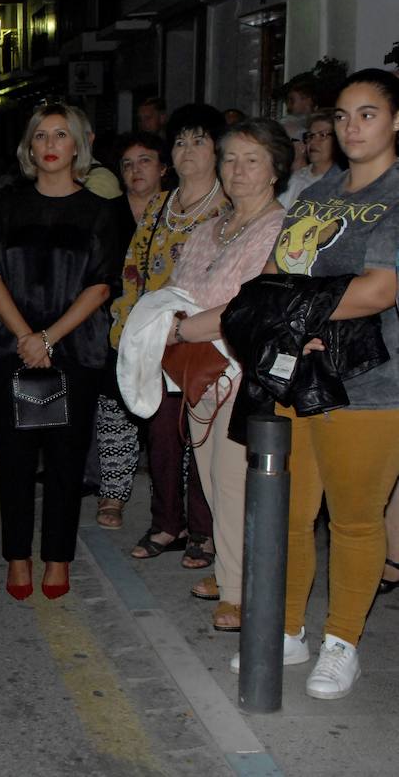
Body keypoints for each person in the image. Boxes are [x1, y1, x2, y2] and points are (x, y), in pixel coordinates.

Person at [224, 69, 399, 699]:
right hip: (298, 374)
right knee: (292, 515)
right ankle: (289, 628)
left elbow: (382, 289)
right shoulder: (317, 193)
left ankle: (342, 641)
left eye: (368, 114)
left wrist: (299, 313)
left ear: (396, 121)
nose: (352, 127)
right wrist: (304, 320)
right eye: (344, 116)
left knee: (354, 519)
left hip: (372, 383)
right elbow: (274, 273)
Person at [0, 102, 119, 600]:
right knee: (14, 460)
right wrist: (25, 338)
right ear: (29, 147)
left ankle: (57, 558)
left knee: (65, 460)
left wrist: (50, 338)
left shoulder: (100, 212)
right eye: (41, 136)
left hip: (74, 351)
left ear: (78, 145)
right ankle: (18, 556)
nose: (51, 145)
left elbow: (101, 286)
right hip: (10, 350)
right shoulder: (8, 205)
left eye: (61, 135)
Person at [160, 119, 289, 631]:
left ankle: (238, 592)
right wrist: (170, 322)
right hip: (199, 372)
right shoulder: (212, 225)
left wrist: (181, 329)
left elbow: (250, 304)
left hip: (245, 371)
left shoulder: (279, 228)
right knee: (211, 480)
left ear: (276, 169)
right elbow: (176, 286)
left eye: (251, 159)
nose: (237, 169)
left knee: (234, 483)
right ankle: (229, 567)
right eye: (230, 158)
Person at [108, 104, 229, 566]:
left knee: (203, 439)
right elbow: (133, 269)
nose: (187, 150)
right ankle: (166, 524)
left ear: (217, 149)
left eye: (199, 140)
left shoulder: (228, 208)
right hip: (156, 340)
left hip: (206, 342)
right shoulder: (160, 206)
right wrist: (127, 327)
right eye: (180, 141)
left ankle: (204, 530)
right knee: (161, 436)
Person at [94, 132, 168, 530]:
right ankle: (113, 495)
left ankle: (171, 501)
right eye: (127, 163)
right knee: (115, 412)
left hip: (168, 329)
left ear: (162, 168)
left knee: (168, 420)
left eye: (144, 161)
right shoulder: (106, 212)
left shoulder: (180, 211)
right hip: (117, 326)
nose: (136, 170)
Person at [279, 110, 341, 208]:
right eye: (311, 136)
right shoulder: (296, 177)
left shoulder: (341, 183)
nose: (313, 142)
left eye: (322, 135)